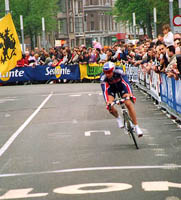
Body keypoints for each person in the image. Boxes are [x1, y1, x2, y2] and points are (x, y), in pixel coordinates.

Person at [100, 61, 143, 137]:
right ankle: (118, 118)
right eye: (105, 72)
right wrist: (108, 102)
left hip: (121, 87)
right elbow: (105, 90)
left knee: (128, 103)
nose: (107, 74)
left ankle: (136, 126)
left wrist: (130, 94)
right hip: (111, 89)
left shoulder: (119, 71)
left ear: (113, 70)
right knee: (110, 106)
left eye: (109, 72)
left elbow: (126, 83)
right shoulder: (103, 77)